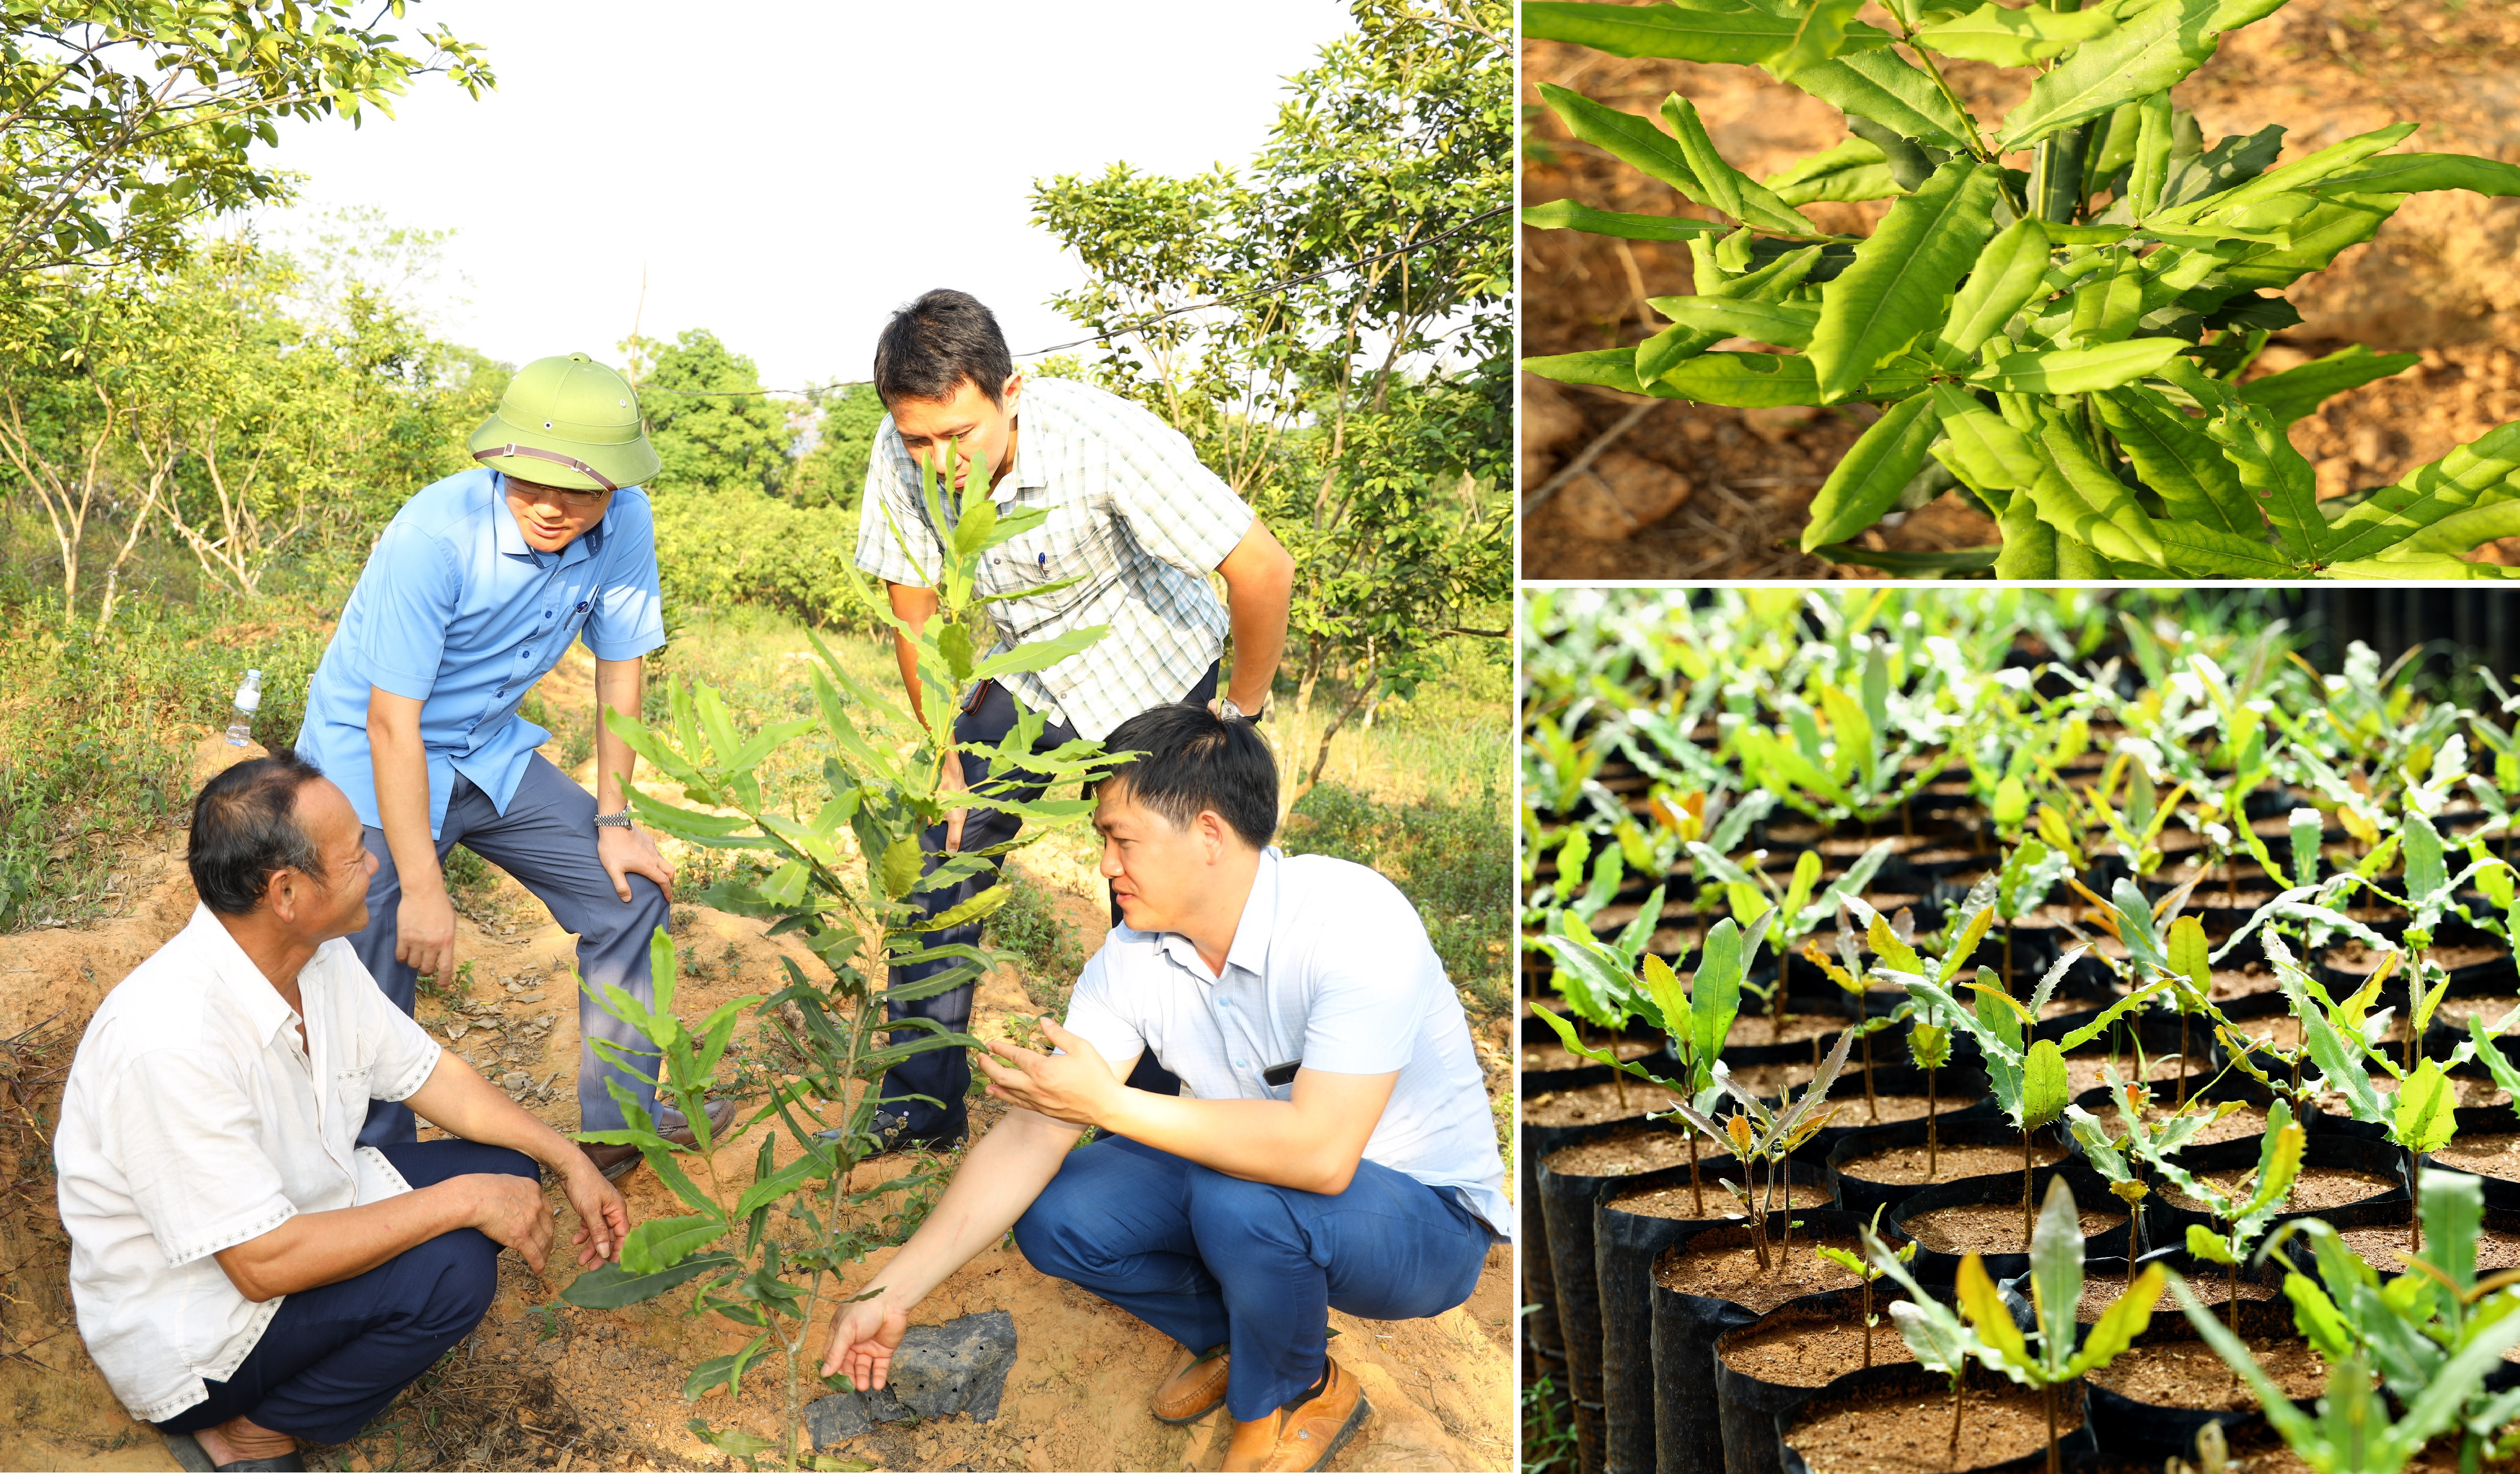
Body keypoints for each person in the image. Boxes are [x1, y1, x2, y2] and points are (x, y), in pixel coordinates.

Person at [820, 705, 1506, 1474]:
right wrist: (889, 1290)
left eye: (1121, 838)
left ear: (1208, 834)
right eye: (1102, 841)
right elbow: (1028, 1135)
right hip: (1251, 1180)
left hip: (1422, 1220)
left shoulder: (1351, 921)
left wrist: (1106, 1104)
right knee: (1061, 1215)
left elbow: (1319, 1157)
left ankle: (1294, 1390)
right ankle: (1245, 1336)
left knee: (1240, 1200)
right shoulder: (1134, 954)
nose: (1106, 864)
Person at [56, 754, 634, 1472]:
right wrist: (460, 1202)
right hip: (199, 1331)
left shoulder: (314, 955)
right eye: (353, 852)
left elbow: (431, 1075)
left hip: (300, 1209)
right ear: (288, 891)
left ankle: (365, 1306)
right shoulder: (170, 1042)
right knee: (454, 1268)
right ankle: (251, 1432)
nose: (372, 860)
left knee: (507, 1164)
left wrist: (567, 1157)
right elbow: (261, 1265)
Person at [852, 289, 1295, 1150]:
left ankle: (1159, 1118)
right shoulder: (899, 445)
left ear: (1009, 392)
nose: (939, 460)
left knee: (1163, 890)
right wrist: (942, 750)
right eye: (919, 440)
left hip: (1150, 672)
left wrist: (1236, 712)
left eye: (959, 436)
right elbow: (909, 598)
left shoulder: (1106, 440)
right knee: (940, 857)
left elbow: (1263, 569)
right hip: (1022, 672)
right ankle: (919, 1103)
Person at [292, 352, 727, 1177]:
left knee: (625, 896)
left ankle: (622, 1123)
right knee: (370, 953)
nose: (554, 508)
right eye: (531, 482)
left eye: (583, 489)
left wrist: (615, 819)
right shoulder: (435, 535)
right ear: (499, 462)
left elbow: (622, 665)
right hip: (369, 759)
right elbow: (393, 722)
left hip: (486, 749)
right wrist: (422, 885)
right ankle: (371, 1168)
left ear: (617, 486)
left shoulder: (625, 522)